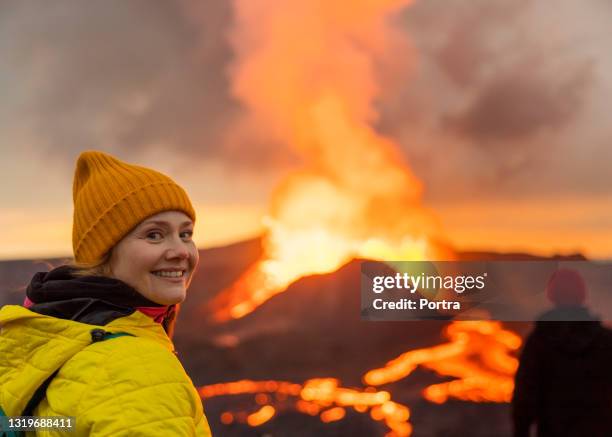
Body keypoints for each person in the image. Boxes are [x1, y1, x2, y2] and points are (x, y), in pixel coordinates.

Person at [0, 151, 212, 436]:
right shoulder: (135, 368)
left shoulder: (52, 336)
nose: (181, 251)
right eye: (154, 235)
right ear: (104, 253)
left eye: (185, 234)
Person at [512, 268, 612, 437]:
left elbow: (525, 395)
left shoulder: (540, 341)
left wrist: (521, 430)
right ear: (582, 296)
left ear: (552, 296)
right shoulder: (606, 340)